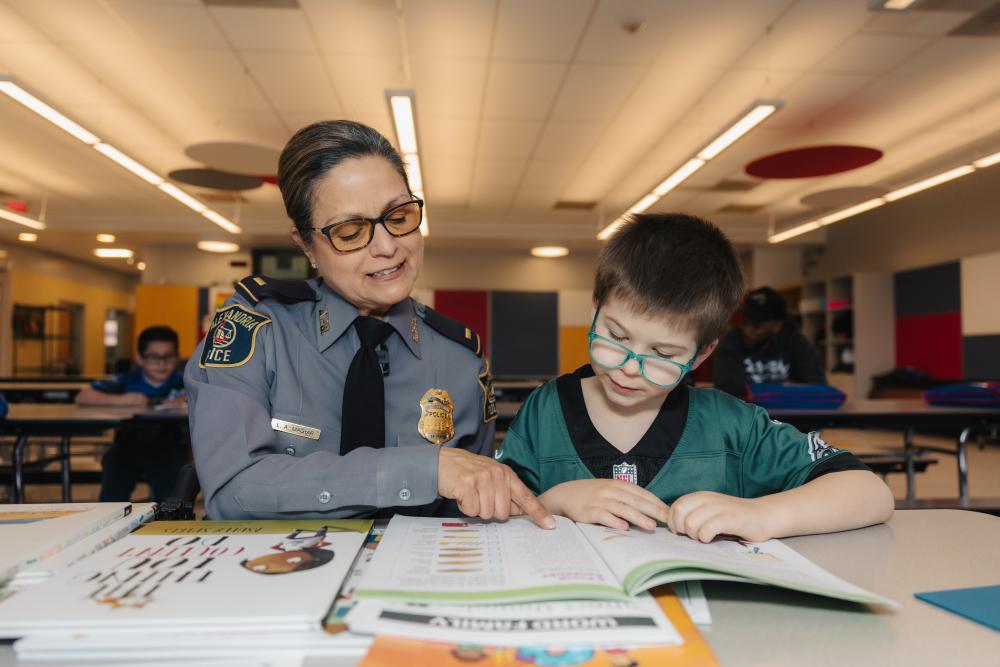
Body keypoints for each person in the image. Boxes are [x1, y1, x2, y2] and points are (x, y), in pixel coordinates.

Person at [185, 120, 553, 527]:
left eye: (398, 216)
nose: (387, 246)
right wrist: (422, 469)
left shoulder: (461, 360)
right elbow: (232, 491)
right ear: (305, 244)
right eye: (349, 231)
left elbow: (471, 510)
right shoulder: (256, 332)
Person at [497, 214, 893, 543]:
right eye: (616, 337)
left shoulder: (732, 427)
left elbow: (870, 493)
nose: (630, 367)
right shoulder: (544, 409)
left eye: (664, 355)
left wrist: (762, 514)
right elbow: (497, 513)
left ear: (702, 353)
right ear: (596, 309)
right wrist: (555, 499)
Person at [76, 325, 187, 502]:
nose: (162, 363)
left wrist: (190, 401)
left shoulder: (185, 382)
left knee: (172, 488)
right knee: (114, 473)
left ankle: (169, 521)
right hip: (128, 446)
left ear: (177, 357)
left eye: (168, 357)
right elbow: (83, 396)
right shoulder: (127, 380)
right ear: (139, 358)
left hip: (170, 446)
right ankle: (112, 518)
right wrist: (123, 400)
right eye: (153, 357)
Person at [714, 286, 826, 399]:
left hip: (791, 413)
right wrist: (785, 388)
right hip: (744, 412)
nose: (747, 331)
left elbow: (816, 386)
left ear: (778, 324)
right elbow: (726, 388)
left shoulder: (797, 343)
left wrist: (752, 389)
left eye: (757, 325)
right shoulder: (732, 342)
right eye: (745, 322)